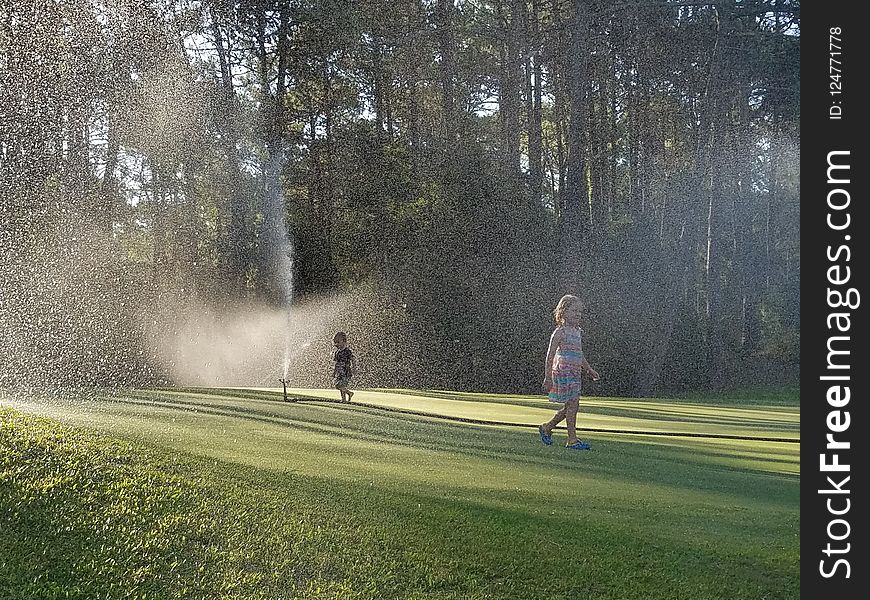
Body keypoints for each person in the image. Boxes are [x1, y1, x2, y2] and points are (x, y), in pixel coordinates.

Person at [538, 294, 600, 450]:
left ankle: (547, 427)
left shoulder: (577, 331)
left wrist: (589, 369)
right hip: (562, 373)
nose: (578, 314)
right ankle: (572, 440)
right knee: (573, 405)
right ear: (563, 311)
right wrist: (548, 377)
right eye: (574, 310)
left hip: (574, 373)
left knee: (571, 406)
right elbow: (550, 355)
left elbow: (579, 354)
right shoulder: (560, 332)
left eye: (579, 311)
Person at [331, 331, 357, 402]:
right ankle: (343, 399)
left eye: (338, 342)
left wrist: (354, 368)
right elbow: (336, 363)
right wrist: (334, 372)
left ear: (344, 341)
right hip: (339, 372)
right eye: (335, 342)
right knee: (341, 385)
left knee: (339, 386)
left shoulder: (347, 351)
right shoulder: (337, 352)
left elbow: (353, 359)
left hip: (346, 371)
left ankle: (349, 393)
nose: (336, 344)